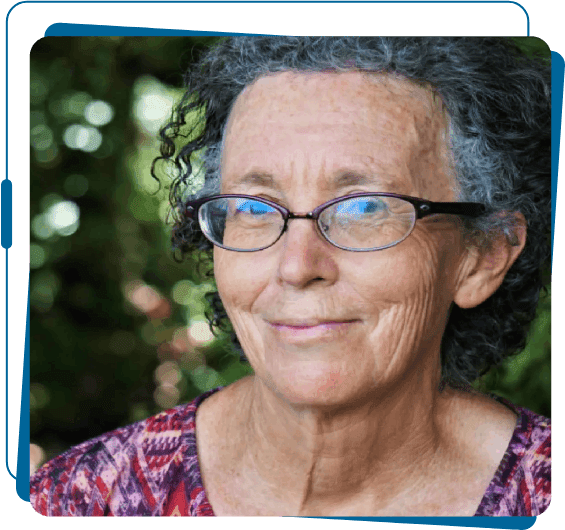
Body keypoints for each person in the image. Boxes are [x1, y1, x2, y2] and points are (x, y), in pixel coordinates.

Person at [30, 37, 551, 517]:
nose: (298, 266)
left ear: (483, 254)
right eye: (254, 207)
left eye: (364, 206)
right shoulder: (83, 500)